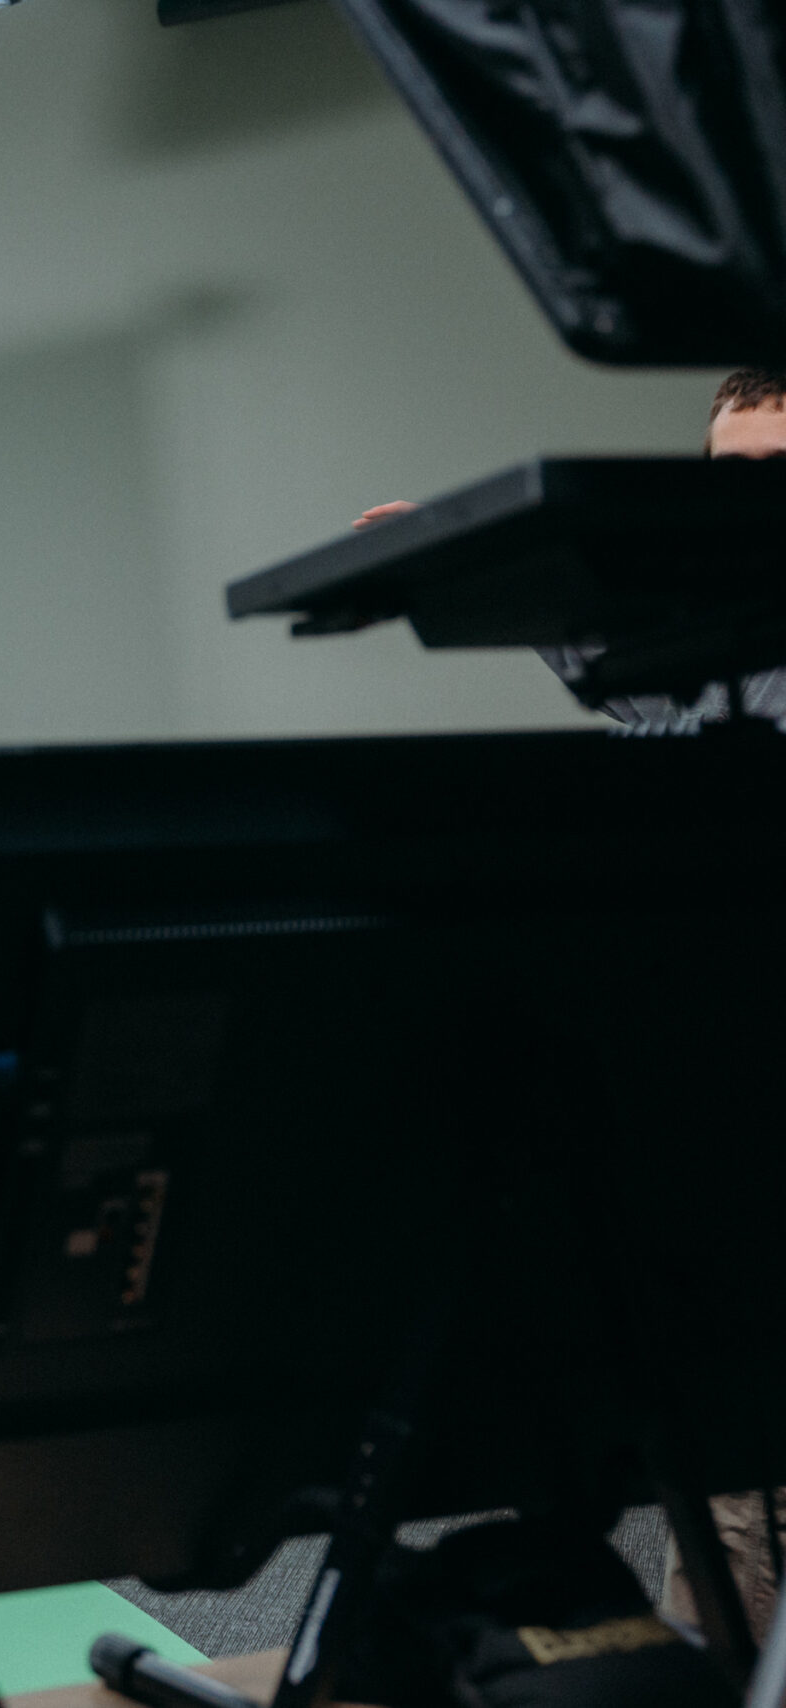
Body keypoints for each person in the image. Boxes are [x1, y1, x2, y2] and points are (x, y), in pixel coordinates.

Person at [353, 370, 786, 1634]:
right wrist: (449, 562)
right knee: (733, 1482)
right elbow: (590, 651)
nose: (748, 502)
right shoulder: (689, 643)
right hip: (719, 1084)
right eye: (729, 475)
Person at [354, 366, 786, 731]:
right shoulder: (703, 622)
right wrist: (459, 557)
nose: (753, 489)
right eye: (731, 470)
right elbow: (606, 650)